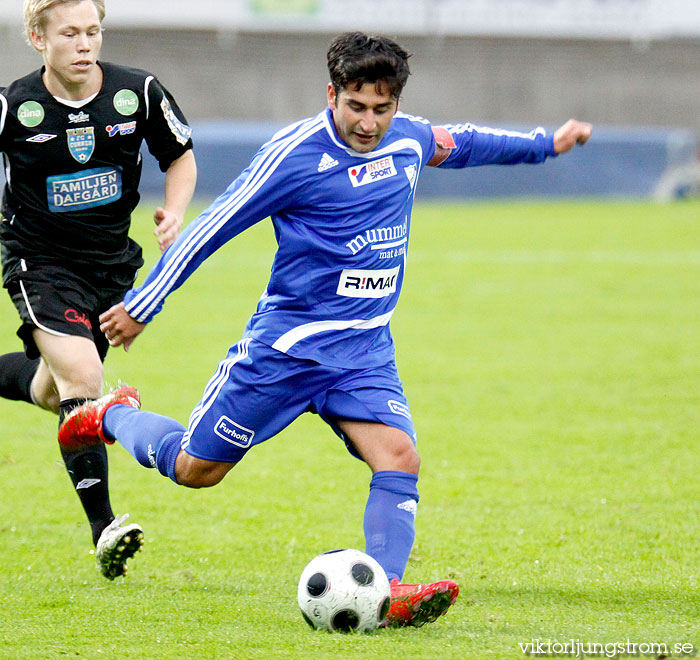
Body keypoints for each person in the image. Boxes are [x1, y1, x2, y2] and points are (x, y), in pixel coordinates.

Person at [59, 32, 591, 624]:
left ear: (396, 103)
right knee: (195, 470)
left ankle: (386, 593)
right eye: (355, 107)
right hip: (284, 353)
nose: (368, 123)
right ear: (331, 93)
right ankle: (110, 414)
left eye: (381, 109)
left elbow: (462, 143)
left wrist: (546, 144)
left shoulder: (409, 138)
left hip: (362, 353)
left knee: (400, 457)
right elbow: (213, 227)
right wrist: (144, 304)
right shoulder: (294, 155)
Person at [0, 0, 196, 580]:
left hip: (111, 269)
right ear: (39, 39)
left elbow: (180, 154)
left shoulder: (139, 93)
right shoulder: (14, 104)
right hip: (40, 264)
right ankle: (104, 527)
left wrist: (176, 211)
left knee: (50, 391)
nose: (85, 44)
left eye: (93, 31)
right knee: (84, 381)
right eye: (70, 33)